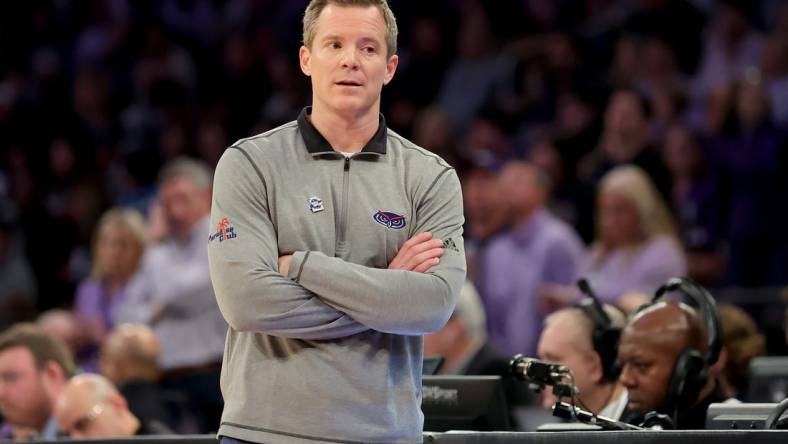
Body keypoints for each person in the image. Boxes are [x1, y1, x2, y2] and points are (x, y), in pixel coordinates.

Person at [207, 1, 466, 442]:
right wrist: (386, 292)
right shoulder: (249, 163)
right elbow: (244, 302)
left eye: (368, 48)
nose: (351, 59)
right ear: (306, 59)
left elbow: (432, 304)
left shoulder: (431, 177)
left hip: (386, 434)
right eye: (334, 44)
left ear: (390, 67)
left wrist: (302, 267)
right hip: (262, 432)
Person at [114, 157, 226, 432]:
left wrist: (155, 245)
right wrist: (156, 309)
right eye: (167, 203)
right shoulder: (159, 251)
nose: (175, 212)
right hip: (167, 378)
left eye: (183, 200)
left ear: (207, 195)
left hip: (214, 375)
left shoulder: (222, 235)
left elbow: (184, 293)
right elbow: (124, 314)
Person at [542, 165, 686, 312]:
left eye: (619, 210)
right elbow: (578, 293)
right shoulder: (596, 254)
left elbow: (637, 303)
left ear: (642, 211)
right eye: (605, 210)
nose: (609, 221)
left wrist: (574, 298)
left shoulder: (663, 251)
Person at [480, 161, 585, 356]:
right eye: (504, 182)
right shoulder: (495, 250)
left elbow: (574, 307)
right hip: (505, 363)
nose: (508, 188)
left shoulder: (559, 241)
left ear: (541, 192)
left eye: (518, 181)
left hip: (551, 359)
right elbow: (490, 319)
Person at [617, 301, 726, 429]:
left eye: (641, 366)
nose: (624, 379)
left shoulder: (736, 432)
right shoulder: (632, 424)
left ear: (689, 370)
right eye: (622, 365)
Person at [73, 208, 148, 371]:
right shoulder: (87, 289)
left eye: (123, 244)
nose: (113, 252)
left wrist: (100, 337)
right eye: (106, 243)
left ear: (139, 249)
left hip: (130, 373)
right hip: (89, 370)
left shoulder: (145, 288)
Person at [536, 304, 628, 420]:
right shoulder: (566, 421)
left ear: (593, 366)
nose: (538, 373)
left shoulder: (643, 426)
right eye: (541, 359)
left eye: (552, 359)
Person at [0, 323, 76, 439]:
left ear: (52, 374)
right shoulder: (10, 434)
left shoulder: (92, 427)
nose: (1, 392)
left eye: (11, 377)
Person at [100, 324, 175, 432]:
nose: (100, 366)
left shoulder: (118, 413)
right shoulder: (179, 407)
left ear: (118, 366)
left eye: (105, 358)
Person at [54, 373, 172, 438]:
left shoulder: (162, 439)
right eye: (67, 435)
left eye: (82, 425)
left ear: (117, 404)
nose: (76, 439)